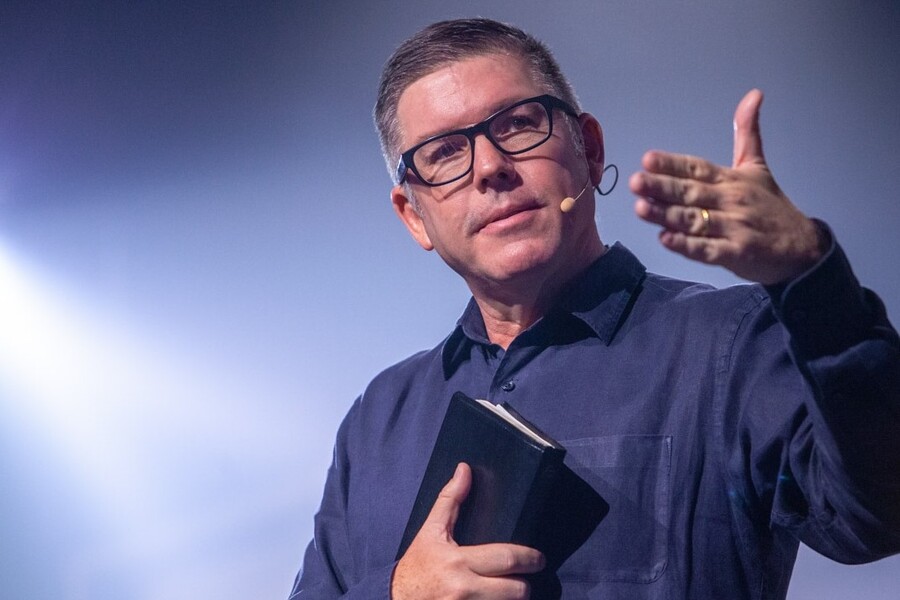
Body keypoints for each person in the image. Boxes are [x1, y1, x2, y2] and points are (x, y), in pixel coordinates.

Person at [289, 18, 900, 600]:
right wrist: (399, 593)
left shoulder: (730, 344)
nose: (491, 167)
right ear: (413, 215)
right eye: (446, 153)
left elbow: (877, 513)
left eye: (518, 124)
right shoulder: (378, 420)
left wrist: (812, 276)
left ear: (588, 147)